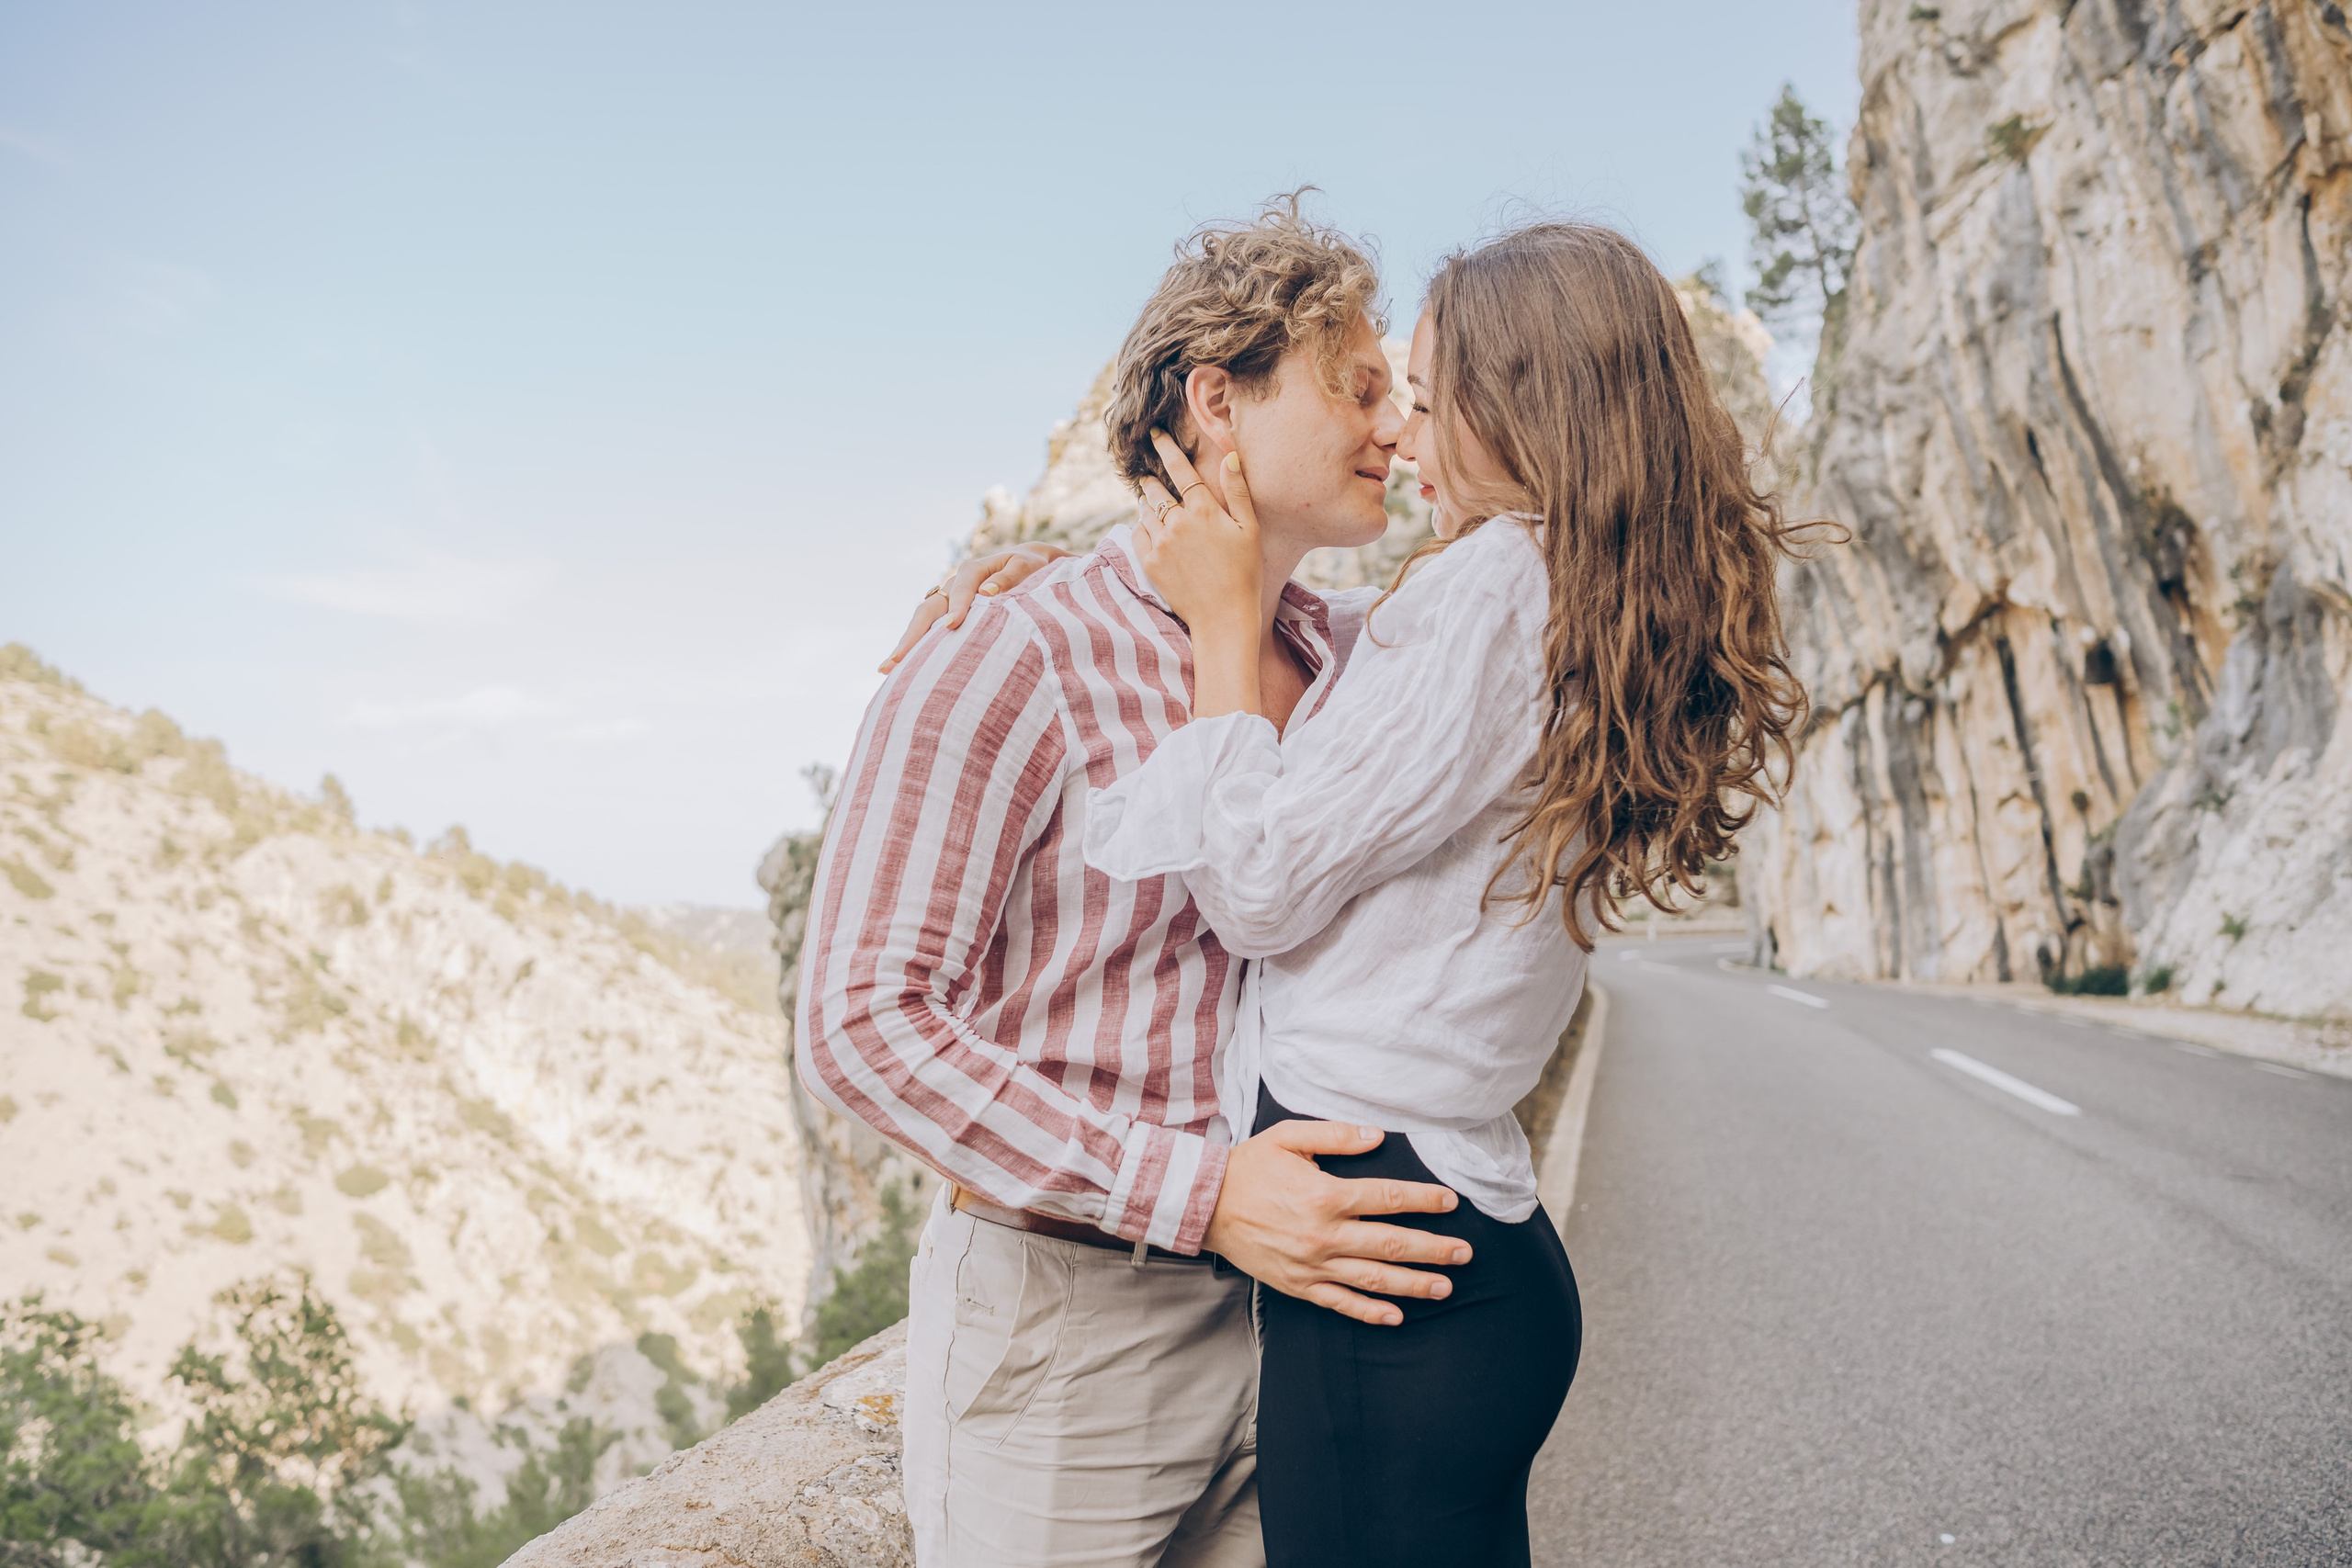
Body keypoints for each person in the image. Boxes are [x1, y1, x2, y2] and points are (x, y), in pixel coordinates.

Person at [1074, 221, 1813, 1567]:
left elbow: (1253, 888)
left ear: (1522, 396)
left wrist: (1226, 625)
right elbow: (1378, 703)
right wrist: (1078, 580)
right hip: (1450, 1246)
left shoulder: (1492, 587)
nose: (1404, 433)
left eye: (1423, 390)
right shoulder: (1576, 592)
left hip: (1388, 1252)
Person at [796, 196, 1475, 1568]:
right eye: (1356, 387)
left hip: (1296, 1330)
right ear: (1218, 403)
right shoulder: (1011, 651)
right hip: (1062, 1343)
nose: (1393, 429)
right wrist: (1204, 1196)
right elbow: (861, 1020)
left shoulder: (1356, 659)